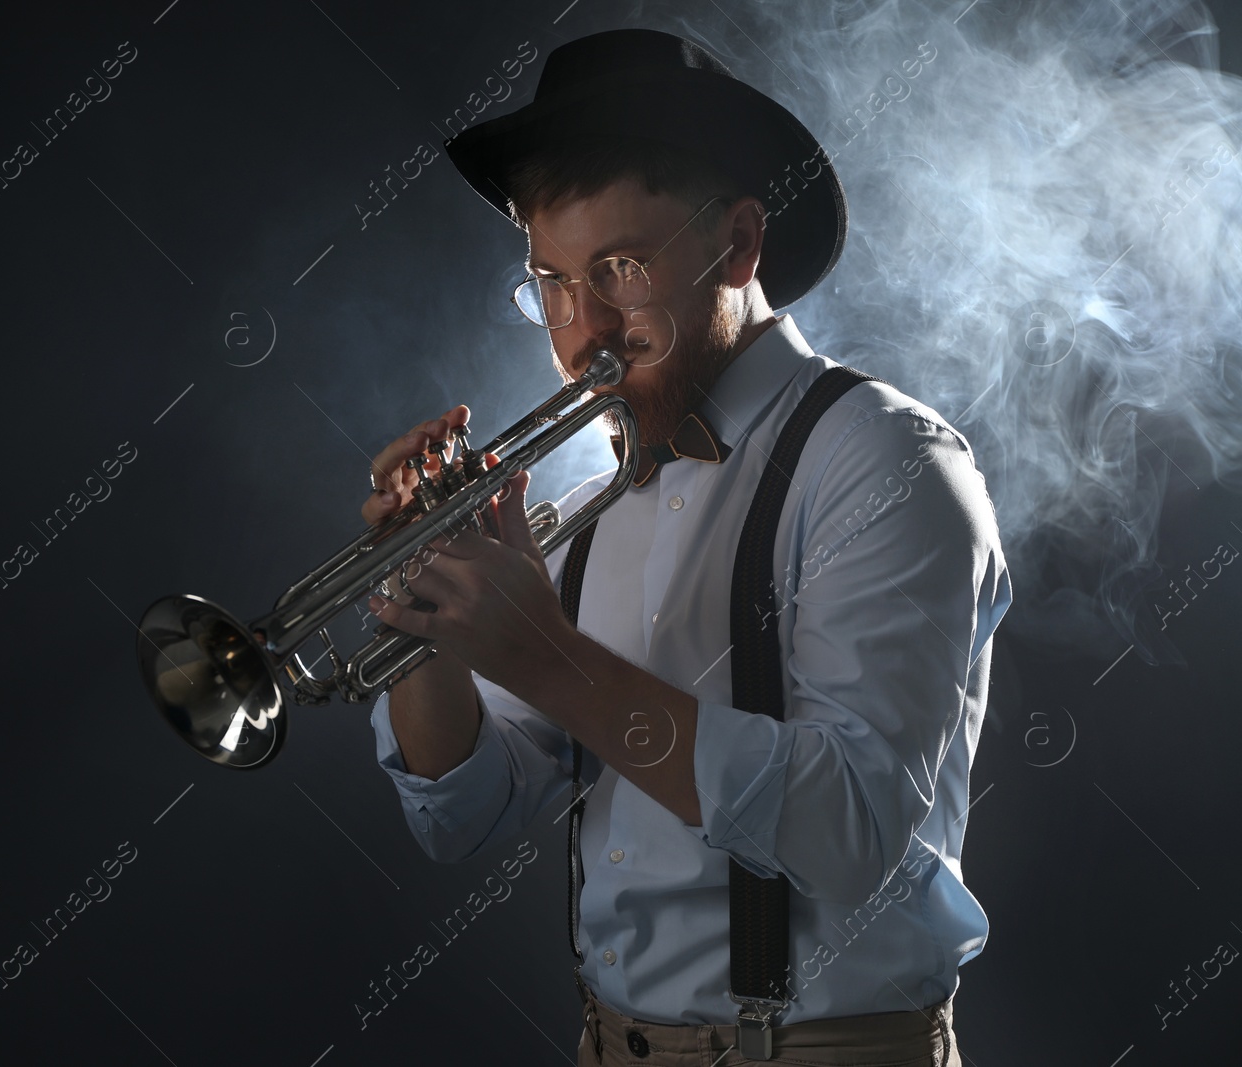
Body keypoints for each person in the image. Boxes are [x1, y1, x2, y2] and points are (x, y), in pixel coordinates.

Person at [363, 28, 1008, 1067]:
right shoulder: (583, 504)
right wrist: (430, 618)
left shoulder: (887, 460)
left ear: (741, 245)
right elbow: (461, 815)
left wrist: (539, 651)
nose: (583, 332)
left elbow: (847, 829)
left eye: (620, 268)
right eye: (553, 281)